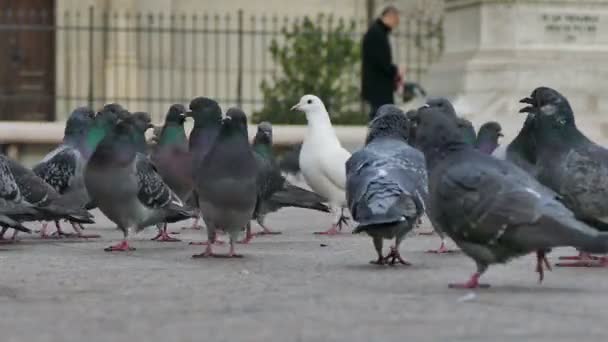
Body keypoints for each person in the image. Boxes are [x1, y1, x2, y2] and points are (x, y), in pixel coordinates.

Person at [361, 5, 402, 121]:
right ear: (390, 17)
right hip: (378, 87)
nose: (396, 25)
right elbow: (382, 62)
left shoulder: (377, 32)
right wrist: (396, 70)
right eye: (396, 21)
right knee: (380, 119)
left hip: (377, 86)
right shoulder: (377, 34)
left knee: (379, 118)